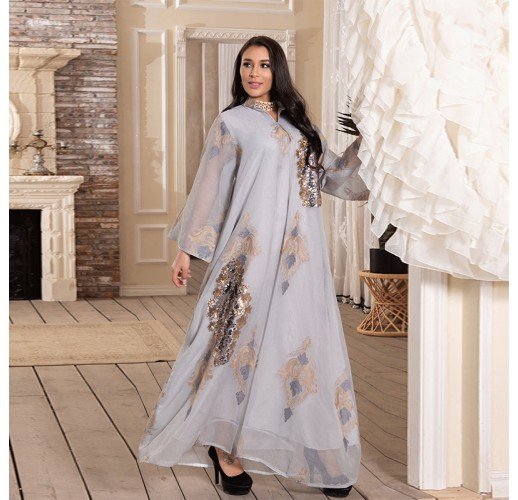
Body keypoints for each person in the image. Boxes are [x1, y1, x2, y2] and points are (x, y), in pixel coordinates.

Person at [137, 35, 369, 498]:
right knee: (235, 342)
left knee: (301, 342)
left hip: (302, 259)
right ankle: (225, 450)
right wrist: (187, 250)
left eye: (263, 65)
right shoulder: (232, 123)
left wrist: (370, 143)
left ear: (276, 70)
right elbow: (210, 188)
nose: (254, 73)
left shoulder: (301, 125)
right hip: (250, 253)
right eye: (247, 64)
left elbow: (329, 178)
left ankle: (318, 446)